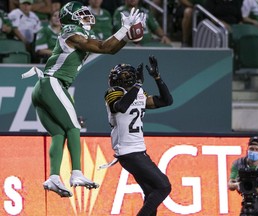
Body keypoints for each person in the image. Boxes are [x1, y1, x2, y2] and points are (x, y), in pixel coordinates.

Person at [23, 1, 145, 197]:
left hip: (47, 86)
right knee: (73, 127)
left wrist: (128, 34)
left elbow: (110, 48)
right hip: (52, 82)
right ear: (71, 18)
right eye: (81, 13)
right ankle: (76, 173)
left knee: (58, 133)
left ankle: (54, 177)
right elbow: (105, 47)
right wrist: (124, 29)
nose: (87, 16)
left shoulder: (83, 34)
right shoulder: (70, 30)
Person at [104, 56, 173, 215]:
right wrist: (137, 86)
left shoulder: (138, 92)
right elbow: (121, 106)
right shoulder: (114, 93)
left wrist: (157, 78)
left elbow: (166, 101)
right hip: (129, 152)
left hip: (137, 151)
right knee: (163, 186)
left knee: (151, 193)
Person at [228, 136, 258, 216]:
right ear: (247, 149)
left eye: (257, 149)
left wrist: (251, 184)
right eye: (251, 149)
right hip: (249, 204)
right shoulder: (238, 164)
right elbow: (230, 184)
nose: (254, 151)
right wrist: (239, 185)